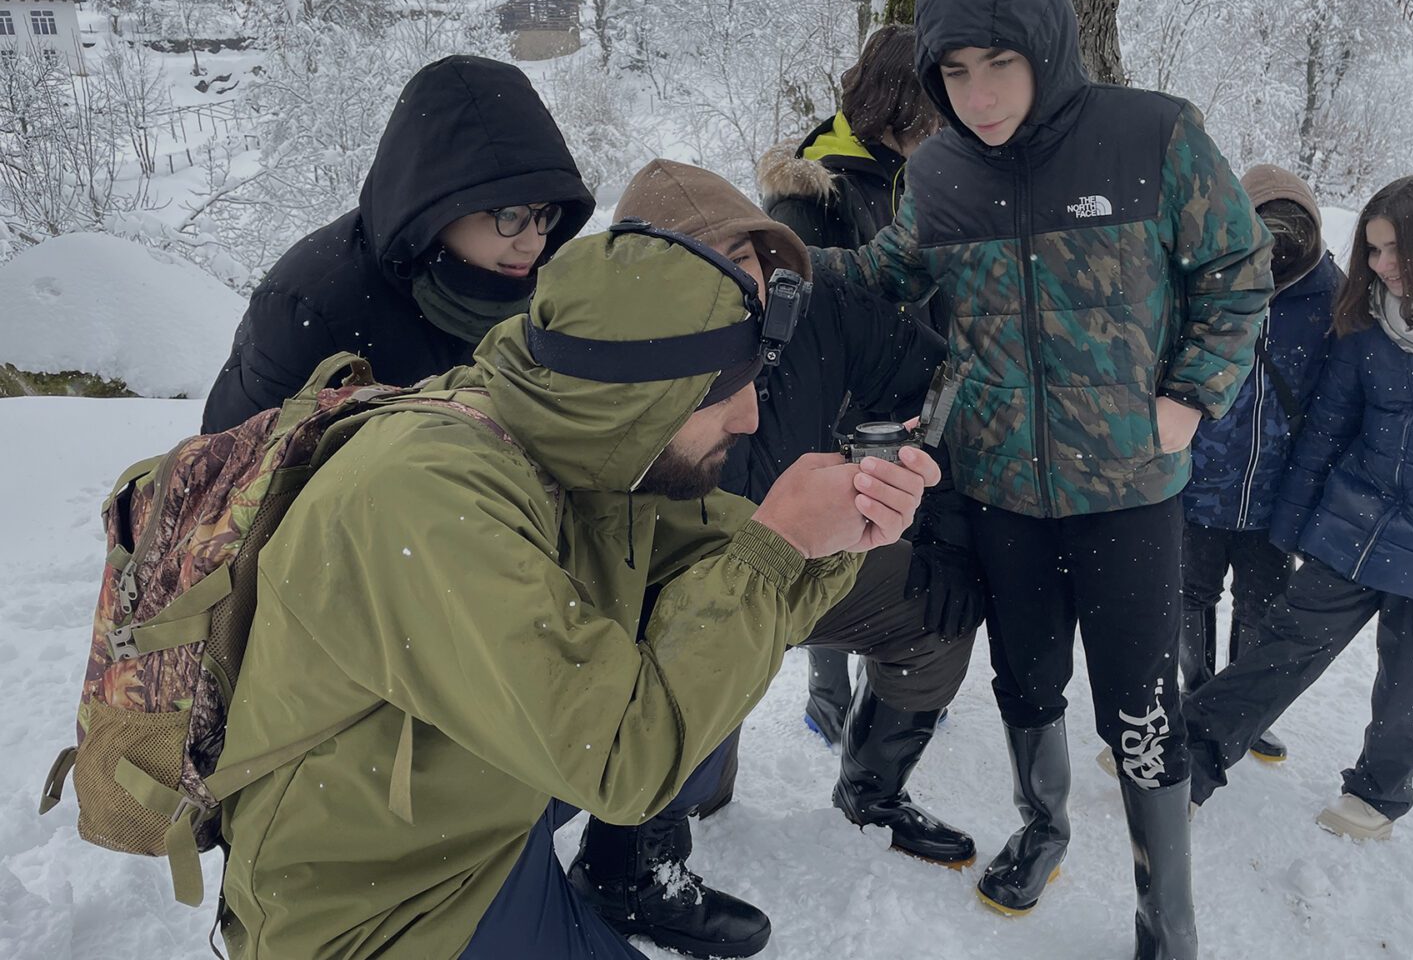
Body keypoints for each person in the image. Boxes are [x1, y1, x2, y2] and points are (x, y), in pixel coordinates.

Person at [213, 221, 942, 959]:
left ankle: (618, 880)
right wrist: (781, 543)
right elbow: (623, 756)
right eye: (723, 390)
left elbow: (734, 576)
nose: (750, 417)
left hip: (480, 802)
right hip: (380, 902)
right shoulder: (424, 498)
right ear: (639, 393)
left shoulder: (582, 439)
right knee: (685, 675)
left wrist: (835, 536)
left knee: (711, 639)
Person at [810, 0, 1274, 955]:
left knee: (1140, 705)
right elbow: (878, 273)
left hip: (1130, 494)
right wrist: (764, 257)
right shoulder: (936, 173)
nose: (979, 95)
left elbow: (1238, 270)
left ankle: (1166, 913)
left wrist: (1191, 392)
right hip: (1001, 490)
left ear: (1049, 48)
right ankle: (1043, 822)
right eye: (957, 70)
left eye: (1002, 63)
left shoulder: (1154, 137)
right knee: (1025, 681)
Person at [562, 159, 982, 960]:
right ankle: (630, 864)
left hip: (806, 560)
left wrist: (931, 514)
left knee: (936, 609)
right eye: (707, 264)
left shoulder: (820, 306)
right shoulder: (611, 352)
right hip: (678, 603)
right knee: (681, 765)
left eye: (750, 261)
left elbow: (933, 379)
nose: (739, 286)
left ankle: (872, 790)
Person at [1185, 173, 1413, 841]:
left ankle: (1377, 793)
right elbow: (1330, 425)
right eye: (1373, 250)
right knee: (1284, 645)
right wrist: (1294, 522)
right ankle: (1195, 752)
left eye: (1396, 251)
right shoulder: (1368, 317)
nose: (1382, 267)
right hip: (1356, 522)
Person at [756, 23, 969, 748]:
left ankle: (876, 683)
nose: (947, 127)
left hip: (897, 391)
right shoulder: (819, 194)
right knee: (837, 541)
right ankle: (825, 691)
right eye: (935, 111)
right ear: (901, 107)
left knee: (878, 537)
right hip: (841, 413)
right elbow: (798, 324)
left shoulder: (907, 176)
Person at [201, 54, 593, 433]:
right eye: (509, 215)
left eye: (545, 214)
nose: (533, 242)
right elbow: (234, 473)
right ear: (435, 208)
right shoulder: (309, 307)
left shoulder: (541, 292)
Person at [1177, 164, 1343, 762]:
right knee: (1191, 592)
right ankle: (1195, 696)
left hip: (1281, 490)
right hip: (1201, 481)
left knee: (1263, 605)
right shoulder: (1206, 279)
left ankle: (1239, 710)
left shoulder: (1334, 295)